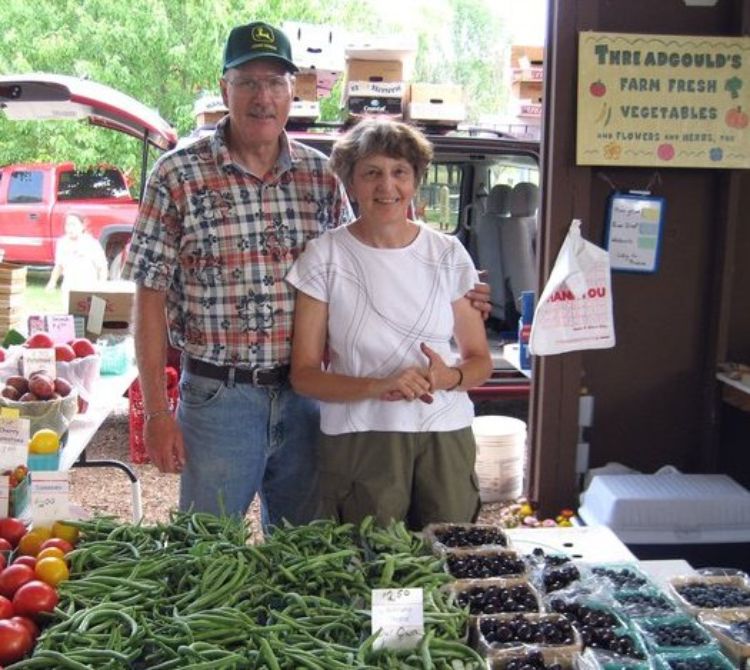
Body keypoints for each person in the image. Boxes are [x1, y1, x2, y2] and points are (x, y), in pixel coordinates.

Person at [123, 21, 490, 529]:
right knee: (208, 549)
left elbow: (367, 260)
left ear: (293, 90)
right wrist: (159, 414)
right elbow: (148, 297)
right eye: (248, 81)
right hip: (219, 397)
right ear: (224, 86)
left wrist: (459, 292)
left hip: (311, 400)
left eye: (275, 82)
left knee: (305, 551)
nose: (263, 97)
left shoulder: (319, 176)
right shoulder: (177, 174)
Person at [286, 118, 493, 531]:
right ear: (350, 183)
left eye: (400, 172)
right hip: (360, 436)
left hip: (443, 431)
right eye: (371, 173)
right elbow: (304, 376)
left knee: (446, 559)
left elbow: (479, 362)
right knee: (369, 564)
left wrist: (445, 376)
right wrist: (379, 385)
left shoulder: (448, 254)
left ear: (416, 180)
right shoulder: (325, 256)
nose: (387, 187)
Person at [45, 213, 108, 293]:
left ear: (82, 226)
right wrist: (52, 282)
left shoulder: (91, 244)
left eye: (73, 225)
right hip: (69, 287)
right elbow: (59, 265)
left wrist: (101, 285)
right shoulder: (62, 243)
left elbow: (102, 267)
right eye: (68, 225)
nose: (70, 228)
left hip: (88, 287)